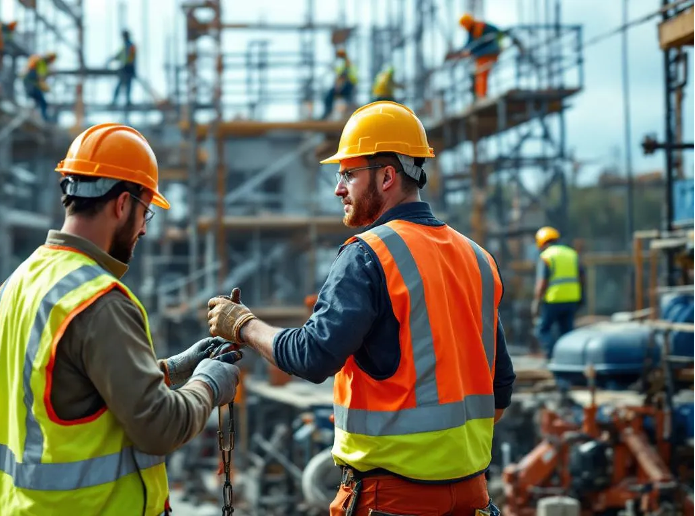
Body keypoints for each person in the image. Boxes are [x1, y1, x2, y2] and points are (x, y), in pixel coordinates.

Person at [207, 101, 515, 516]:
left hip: (391, 501)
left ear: (387, 176)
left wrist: (242, 324)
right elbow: (499, 392)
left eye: (349, 174)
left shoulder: (369, 254)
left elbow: (312, 355)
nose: (338, 189)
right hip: (473, 500)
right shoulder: (477, 257)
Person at [0, 123, 242, 515]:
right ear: (123, 204)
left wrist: (173, 369)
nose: (142, 228)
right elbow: (160, 426)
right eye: (146, 213)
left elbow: (69, 386)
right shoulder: (100, 301)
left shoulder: (18, 284)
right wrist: (209, 382)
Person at [532, 226, 584, 359]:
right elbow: (582, 277)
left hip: (553, 299)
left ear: (541, 243)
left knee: (543, 329)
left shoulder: (546, 256)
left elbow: (542, 282)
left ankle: (551, 357)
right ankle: (569, 358)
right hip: (572, 299)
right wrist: (582, 297)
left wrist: (536, 302)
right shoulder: (572, 254)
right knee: (567, 332)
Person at [450, 13, 504, 99]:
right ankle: (480, 95)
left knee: (481, 74)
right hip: (481, 55)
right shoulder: (472, 30)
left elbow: (499, 33)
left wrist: (500, 45)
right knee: (478, 75)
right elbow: (469, 44)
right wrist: (464, 51)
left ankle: (482, 96)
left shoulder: (482, 27)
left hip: (488, 53)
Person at [321, 48, 358, 120]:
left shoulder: (347, 64)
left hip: (348, 85)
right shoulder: (345, 64)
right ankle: (329, 112)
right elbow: (339, 73)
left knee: (331, 97)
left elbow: (343, 76)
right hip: (348, 86)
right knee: (345, 100)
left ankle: (328, 111)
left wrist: (338, 86)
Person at [23, 52, 57, 122]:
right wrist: (47, 89)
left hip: (29, 84)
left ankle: (34, 117)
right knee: (42, 102)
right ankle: (44, 119)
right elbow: (40, 78)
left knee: (37, 102)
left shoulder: (40, 63)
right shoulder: (42, 64)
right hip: (32, 85)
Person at [110, 30, 137, 107]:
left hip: (128, 68)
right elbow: (119, 55)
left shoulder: (130, 46)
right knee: (123, 85)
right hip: (127, 67)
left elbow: (131, 58)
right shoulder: (126, 46)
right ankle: (118, 100)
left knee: (125, 85)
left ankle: (125, 101)